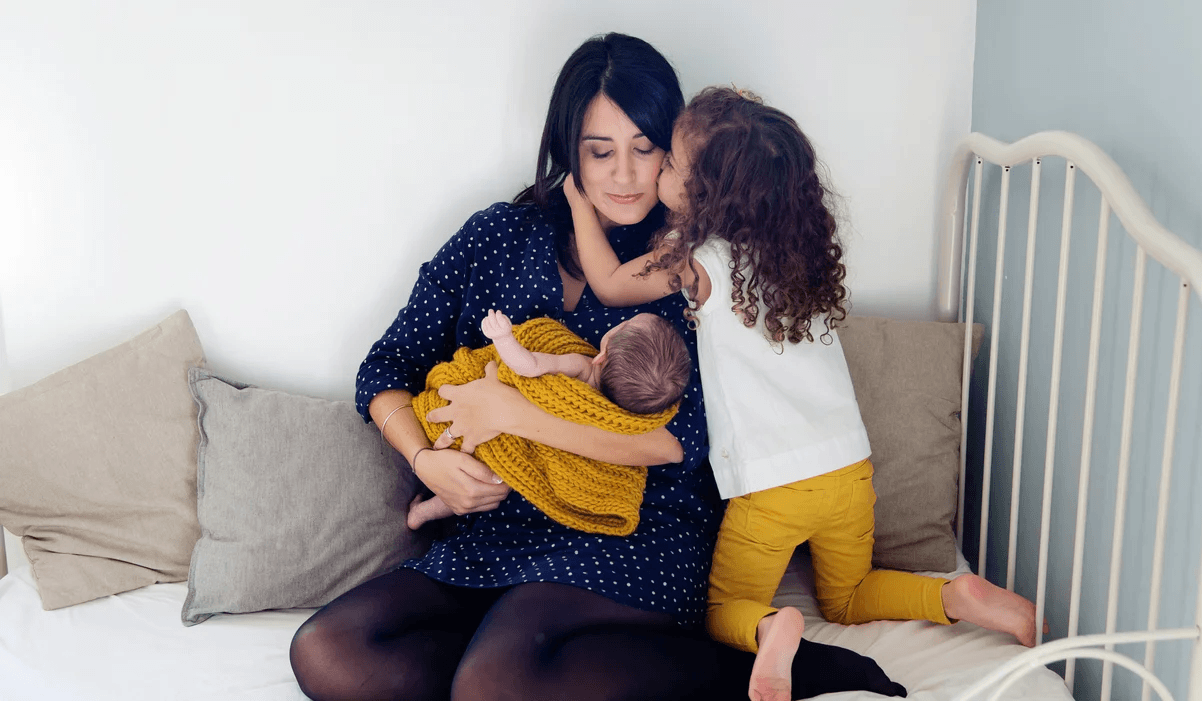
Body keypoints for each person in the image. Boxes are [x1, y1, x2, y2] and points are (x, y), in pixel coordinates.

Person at [288, 34, 905, 701]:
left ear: (675, 151)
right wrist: (426, 461)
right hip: (501, 528)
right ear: (566, 150)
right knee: (329, 650)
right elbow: (386, 367)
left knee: (495, 684)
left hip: (633, 534)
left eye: (644, 149)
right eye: (599, 150)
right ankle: (551, 672)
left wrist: (515, 413)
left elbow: (680, 444)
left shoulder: (691, 264)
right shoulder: (495, 236)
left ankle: (763, 672)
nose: (624, 175)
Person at [568, 86, 1039, 701]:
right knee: (848, 598)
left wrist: (580, 201)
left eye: (673, 165)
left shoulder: (697, 260)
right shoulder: (793, 256)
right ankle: (954, 596)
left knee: (721, 609)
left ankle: (774, 627)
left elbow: (607, 285)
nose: (660, 169)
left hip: (774, 487)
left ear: (705, 195)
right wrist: (736, 108)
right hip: (848, 469)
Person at [405, 309, 691, 531]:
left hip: (502, 435)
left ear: (603, 352)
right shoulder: (619, 414)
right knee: (490, 481)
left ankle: (421, 512)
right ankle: (422, 513)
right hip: (501, 439)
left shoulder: (580, 365)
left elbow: (529, 366)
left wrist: (504, 339)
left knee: (485, 477)